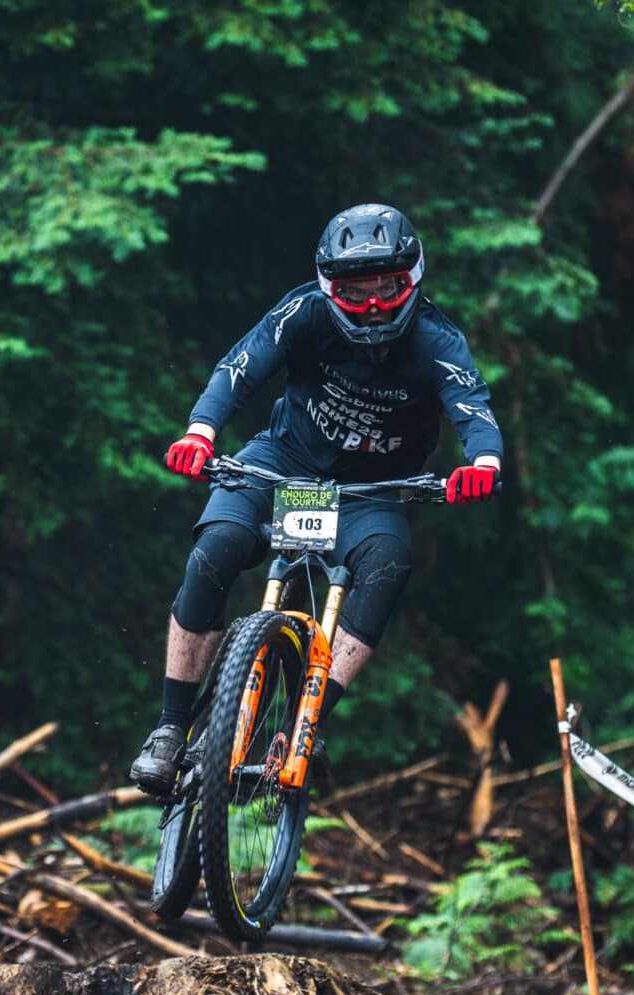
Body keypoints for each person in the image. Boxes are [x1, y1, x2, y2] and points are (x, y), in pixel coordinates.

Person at [128, 203, 503, 794]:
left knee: (388, 564)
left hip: (370, 492)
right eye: (356, 292)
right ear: (330, 288)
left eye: (387, 288)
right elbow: (239, 367)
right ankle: (170, 729)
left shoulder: (437, 340)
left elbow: (471, 406)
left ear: (413, 279)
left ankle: (306, 722)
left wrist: (483, 464)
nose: (374, 305)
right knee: (215, 549)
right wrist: (200, 432)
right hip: (280, 464)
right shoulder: (302, 312)